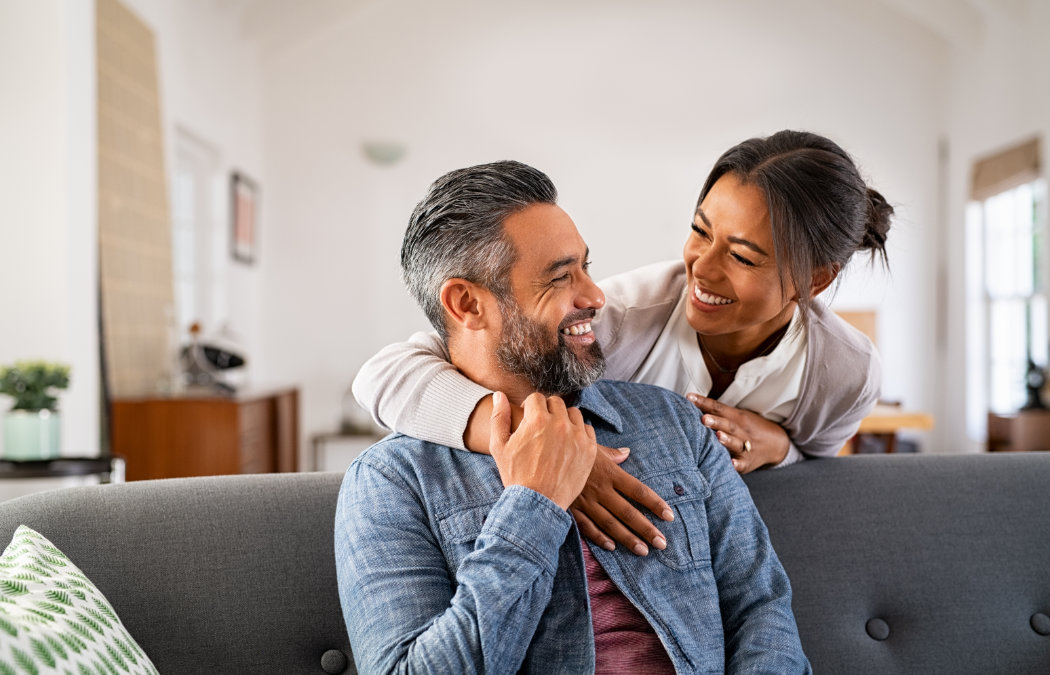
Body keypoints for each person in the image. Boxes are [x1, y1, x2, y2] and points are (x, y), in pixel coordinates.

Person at [335, 160, 810, 673]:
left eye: (586, 267)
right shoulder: (392, 482)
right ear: (468, 304)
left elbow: (761, 609)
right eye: (561, 277)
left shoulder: (674, 423)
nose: (595, 296)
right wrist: (532, 505)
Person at [352, 130, 892, 555]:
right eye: (700, 230)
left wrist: (781, 449)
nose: (700, 268)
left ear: (814, 280)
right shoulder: (620, 317)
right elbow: (385, 375)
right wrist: (549, 450)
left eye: (743, 256)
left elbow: (819, 470)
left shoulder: (846, 373)